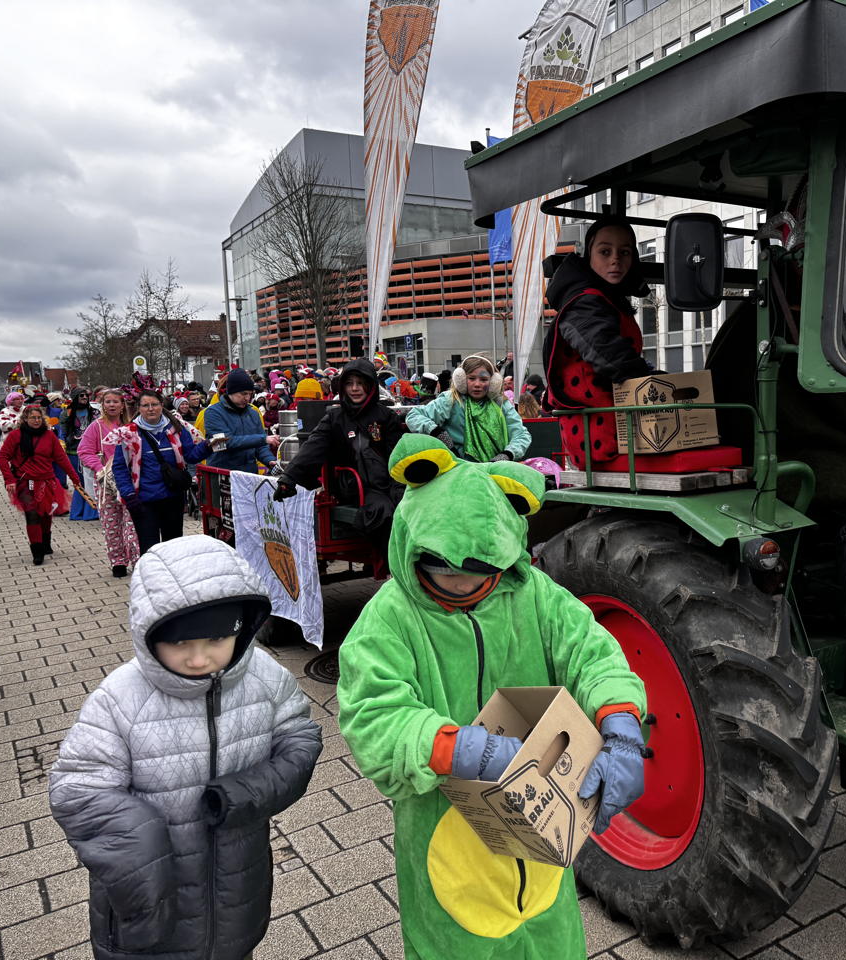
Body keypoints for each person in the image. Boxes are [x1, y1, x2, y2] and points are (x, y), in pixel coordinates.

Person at [337, 434, 646, 959]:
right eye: (442, 569)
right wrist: (460, 749)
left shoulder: (534, 595)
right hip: (445, 838)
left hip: (543, 838)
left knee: (554, 945)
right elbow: (372, 712)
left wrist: (621, 723)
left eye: (479, 573)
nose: (458, 585)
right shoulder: (390, 617)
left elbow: (592, 652)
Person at [49, 535, 322, 960]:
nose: (199, 659)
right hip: (151, 902)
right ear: (148, 634)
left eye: (216, 641)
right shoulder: (120, 698)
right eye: (180, 644)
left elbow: (299, 737)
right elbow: (78, 787)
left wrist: (246, 794)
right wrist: (139, 853)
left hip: (237, 885)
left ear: (243, 628)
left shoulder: (265, 678)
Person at [543, 215, 655, 466]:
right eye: (605, 251)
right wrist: (659, 381)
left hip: (615, 424)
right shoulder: (584, 302)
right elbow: (610, 357)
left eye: (624, 252)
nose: (615, 259)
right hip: (602, 435)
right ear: (589, 256)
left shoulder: (605, 299)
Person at [274, 359, 406, 552]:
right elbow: (313, 447)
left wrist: (400, 487)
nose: (355, 388)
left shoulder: (386, 416)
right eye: (350, 383)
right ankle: (393, 565)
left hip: (387, 482)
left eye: (360, 383)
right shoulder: (335, 417)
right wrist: (288, 479)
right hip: (354, 486)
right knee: (383, 511)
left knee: (413, 508)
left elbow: (398, 454)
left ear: (370, 386)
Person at [112, 391, 211, 554]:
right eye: (145, 405)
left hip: (173, 497)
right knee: (149, 549)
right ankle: (152, 579)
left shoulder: (176, 428)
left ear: (161, 406)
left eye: (154, 404)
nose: (150, 409)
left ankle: (172, 579)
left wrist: (208, 446)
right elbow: (120, 467)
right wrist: (128, 495)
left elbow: (191, 456)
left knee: (173, 548)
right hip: (144, 500)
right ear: (139, 408)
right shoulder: (129, 433)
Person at [406, 355, 531, 463]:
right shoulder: (451, 400)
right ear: (461, 380)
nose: (477, 384)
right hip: (456, 469)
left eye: (483, 379)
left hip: (495, 469)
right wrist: (438, 433)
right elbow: (414, 416)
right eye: (471, 378)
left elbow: (521, 435)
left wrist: (507, 454)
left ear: (493, 382)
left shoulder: (501, 403)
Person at [0, 405, 82, 564]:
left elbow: (61, 458)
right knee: (32, 515)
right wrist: (9, 479)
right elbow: (2, 457)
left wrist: (74, 477)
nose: (36, 421)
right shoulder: (16, 436)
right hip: (25, 482)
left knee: (45, 513)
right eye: (32, 418)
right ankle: (37, 550)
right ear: (25, 419)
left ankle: (45, 541)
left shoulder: (49, 436)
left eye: (39, 418)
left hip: (47, 482)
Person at [78, 389, 141, 579]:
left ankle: (138, 560)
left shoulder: (132, 426)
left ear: (123, 405)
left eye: (116, 401)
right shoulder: (95, 427)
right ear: (102, 405)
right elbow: (85, 451)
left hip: (130, 482)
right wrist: (100, 469)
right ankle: (118, 561)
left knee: (133, 523)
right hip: (107, 483)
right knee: (111, 523)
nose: (112, 405)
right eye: (108, 402)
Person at [203, 368, 280, 474]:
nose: (247, 398)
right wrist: (263, 439)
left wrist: (269, 459)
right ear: (231, 392)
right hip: (223, 474)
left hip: (249, 475)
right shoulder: (212, 412)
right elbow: (223, 443)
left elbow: (260, 446)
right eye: (243, 394)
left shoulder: (253, 413)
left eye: (250, 394)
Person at [59, 388, 100, 521]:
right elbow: (62, 432)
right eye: (81, 395)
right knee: (79, 482)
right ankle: (78, 513)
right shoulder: (67, 413)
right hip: (73, 452)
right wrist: (62, 444)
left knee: (90, 481)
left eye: (86, 395)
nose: (84, 397)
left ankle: (91, 513)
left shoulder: (94, 412)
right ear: (75, 397)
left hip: (91, 452)